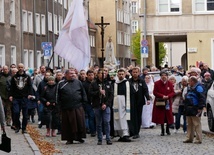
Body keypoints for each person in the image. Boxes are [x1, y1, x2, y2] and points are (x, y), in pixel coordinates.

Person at [57, 69, 87, 144]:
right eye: (70, 73)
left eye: (73, 73)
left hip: (78, 106)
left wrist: (84, 102)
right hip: (66, 107)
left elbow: (83, 93)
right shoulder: (61, 83)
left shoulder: (78, 82)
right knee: (68, 124)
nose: (72, 75)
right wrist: (59, 106)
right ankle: (69, 139)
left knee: (79, 123)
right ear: (66, 75)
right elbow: (57, 96)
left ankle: (79, 137)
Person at [89, 68, 113, 145]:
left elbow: (111, 95)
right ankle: (99, 138)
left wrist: (106, 104)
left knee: (106, 122)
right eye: (101, 73)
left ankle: (108, 138)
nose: (103, 74)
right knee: (98, 123)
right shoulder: (93, 83)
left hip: (106, 105)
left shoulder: (108, 83)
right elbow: (90, 93)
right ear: (98, 74)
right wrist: (98, 92)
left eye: (105, 73)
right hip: (97, 105)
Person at [9, 63, 33, 134]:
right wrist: (10, 95)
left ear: (23, 68)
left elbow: (30, 86)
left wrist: (30, 94)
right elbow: (12, 87)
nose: (20, 68)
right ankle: (17, 126)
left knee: (25, 115)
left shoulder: (27, 77)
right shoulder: (14, 77)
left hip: (24, 98)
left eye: (21, 67)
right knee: (16, 112)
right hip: (16, 98)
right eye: (19, 67)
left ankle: (24, 128)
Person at [128, 67, 150, 139]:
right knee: (132, 117)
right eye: (133, 72)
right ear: (131, 73)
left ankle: (137, 132)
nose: (135, 73)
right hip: (131, 101)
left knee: (138, 117)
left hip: (139, 101)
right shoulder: (129, 81)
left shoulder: (141, 81)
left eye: (136, 72)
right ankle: (132, 131)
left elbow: (145, 90)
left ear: (139, 73)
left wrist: (148, 98)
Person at [183, 76, 206, 144]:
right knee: (189, 124)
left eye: (189, 82)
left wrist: (200, 108)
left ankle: (199, 139)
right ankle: (189, 138)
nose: (188, 83)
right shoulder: (190, 88)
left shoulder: (199, 87)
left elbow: (202, 98)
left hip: (195, 107)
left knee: (197, 124)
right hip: (189, 107)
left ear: (192, 81)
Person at [152, 70, 175, 136]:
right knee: (161, 116)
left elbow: (172, 92)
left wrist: (168, 96)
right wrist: (162, 96)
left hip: (167, 101)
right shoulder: (157, 83)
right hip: (160, 101)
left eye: (165, 75)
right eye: (162, 75)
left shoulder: (170, 83)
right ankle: (162, 130)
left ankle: (168, 129)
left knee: (168, 115)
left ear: (167, 76)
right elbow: (155, 92)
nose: (164, 77)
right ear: (160, 76)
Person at [113, 69, 131, 142]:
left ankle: (125, 134)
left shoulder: (127, 83)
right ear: (117, 75)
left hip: (125, 103)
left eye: (122, 74)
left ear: (124, 75)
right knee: (117, 118)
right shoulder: (115, 83)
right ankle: (120, 135)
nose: (121, 75)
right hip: (116, 102)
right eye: (119, 74)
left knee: (124, 119)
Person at [82, 70, 96, 137]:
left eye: (92, 75)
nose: (91, 76)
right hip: (88, 102)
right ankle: (92, 131)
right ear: (87, 75)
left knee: (96, 117)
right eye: (89, 75)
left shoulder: (96, 83)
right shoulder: (84, 84)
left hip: (96, 102)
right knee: (91, 116)